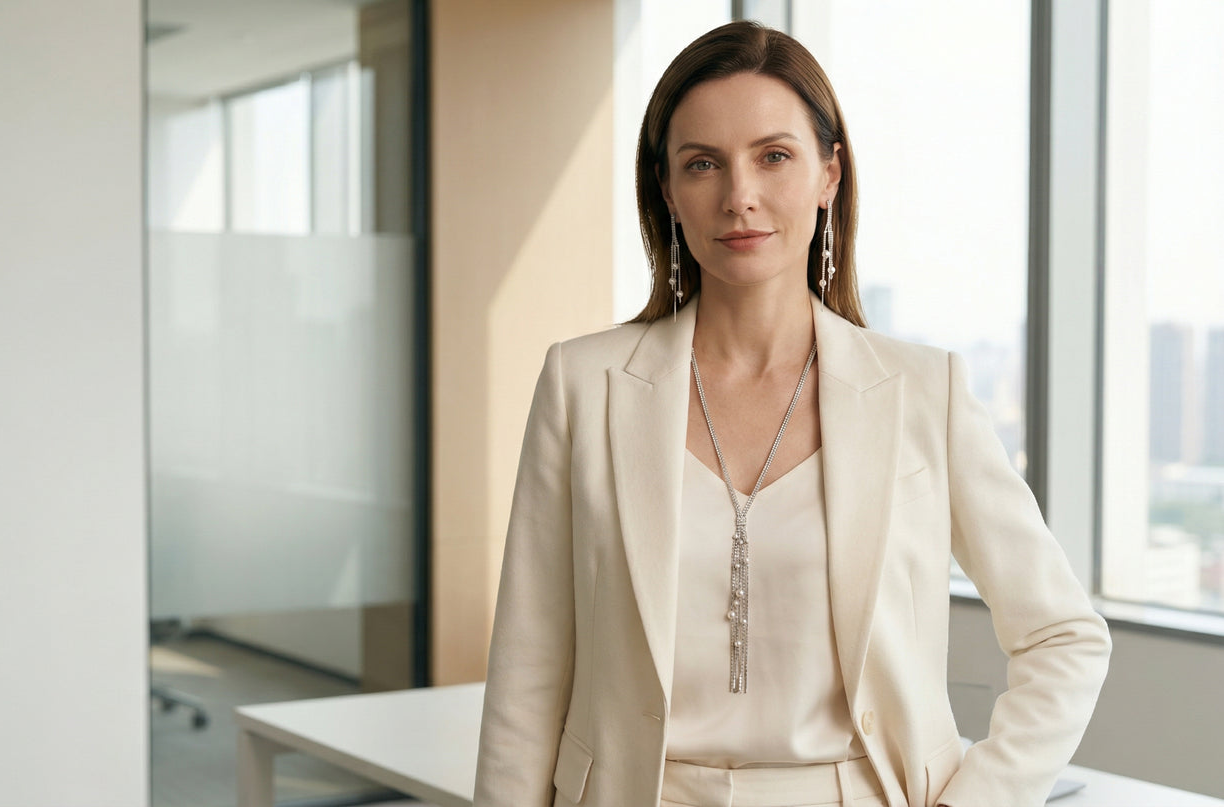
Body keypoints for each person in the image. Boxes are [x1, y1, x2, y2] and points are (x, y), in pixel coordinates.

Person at [472, 19, 1110, 807]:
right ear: (668, 191)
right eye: (701, 164)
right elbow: (527, 671)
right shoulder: (582, 383)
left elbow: (1062, 635)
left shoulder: (922, 392)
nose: (738, 196)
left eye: (773, 156)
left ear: (827, 174)